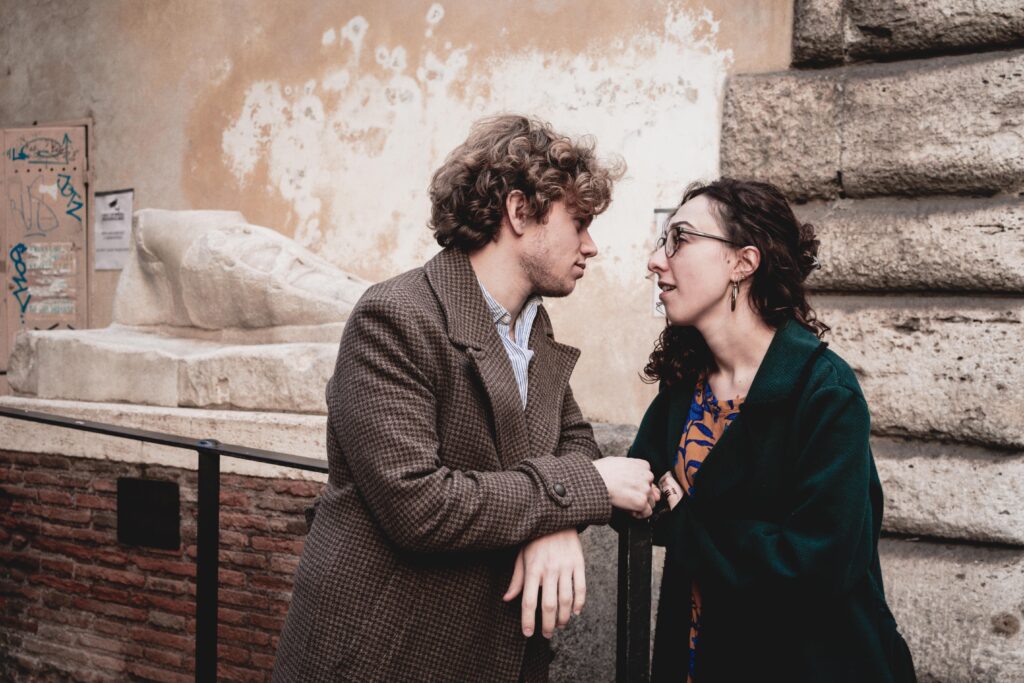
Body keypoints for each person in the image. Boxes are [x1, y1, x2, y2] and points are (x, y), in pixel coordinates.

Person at [272, 114, 659, 682]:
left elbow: (573, 439)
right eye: (578, 222)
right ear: (520, 211)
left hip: (492, 650)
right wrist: (591, 487)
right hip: (383, 652)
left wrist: (554, 524)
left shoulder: (532, 323)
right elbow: (419, 506)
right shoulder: (396, 316)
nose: (591, 246)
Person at [630, 178, 916, 682]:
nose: (657, 259)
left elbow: (816, 566)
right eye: (662, 241)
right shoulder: (685, 385)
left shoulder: (824, 392)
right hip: (697, 654)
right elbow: (637, 492)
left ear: (743, 261)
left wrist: (686, 520)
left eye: (680, 239)